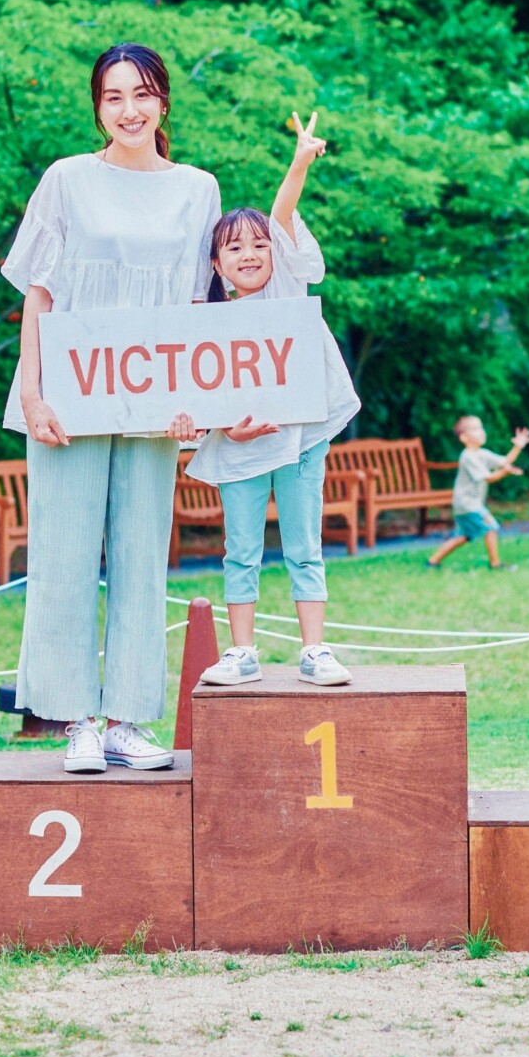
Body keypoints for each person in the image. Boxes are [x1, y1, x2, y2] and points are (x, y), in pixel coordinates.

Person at [8, 43, 221, 775]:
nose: (128, 109)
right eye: (112, 96)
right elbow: (38, 291)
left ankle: (128, 718)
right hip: (69, 391)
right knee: (64, 555)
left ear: (163, 100)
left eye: (142, 94)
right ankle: (75, 721)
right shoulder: (67, 178)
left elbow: (199, 304)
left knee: (140, 555)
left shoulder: (198, 188)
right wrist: (33, 394)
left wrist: (197, 402)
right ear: (97, 105)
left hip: (156, 399)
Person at [173, 111, 361, 688]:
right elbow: (198, 400)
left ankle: (314, 651)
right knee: (241, 550)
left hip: (301, 437)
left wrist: (299, 162)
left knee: (305, 545)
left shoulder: (286, 285)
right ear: (216, 264)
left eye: (258, 244)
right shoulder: (205, 321)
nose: (250, 253)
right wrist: (225, 430)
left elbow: (281, 216)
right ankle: (242, 652)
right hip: (241, 448)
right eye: (235, 248)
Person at [426, 417, 529, 570]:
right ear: (464, 437)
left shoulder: (481, 454)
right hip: (469, 504)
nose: (481, 432)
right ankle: (495, 564)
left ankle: (432, 562)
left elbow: (505, 461)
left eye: (481, 427)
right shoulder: (468, 457)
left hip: (464, 505)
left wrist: (517, 447)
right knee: (491, 527)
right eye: (475, 429)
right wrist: (504, 472)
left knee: (462, 536)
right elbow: (488, 477)